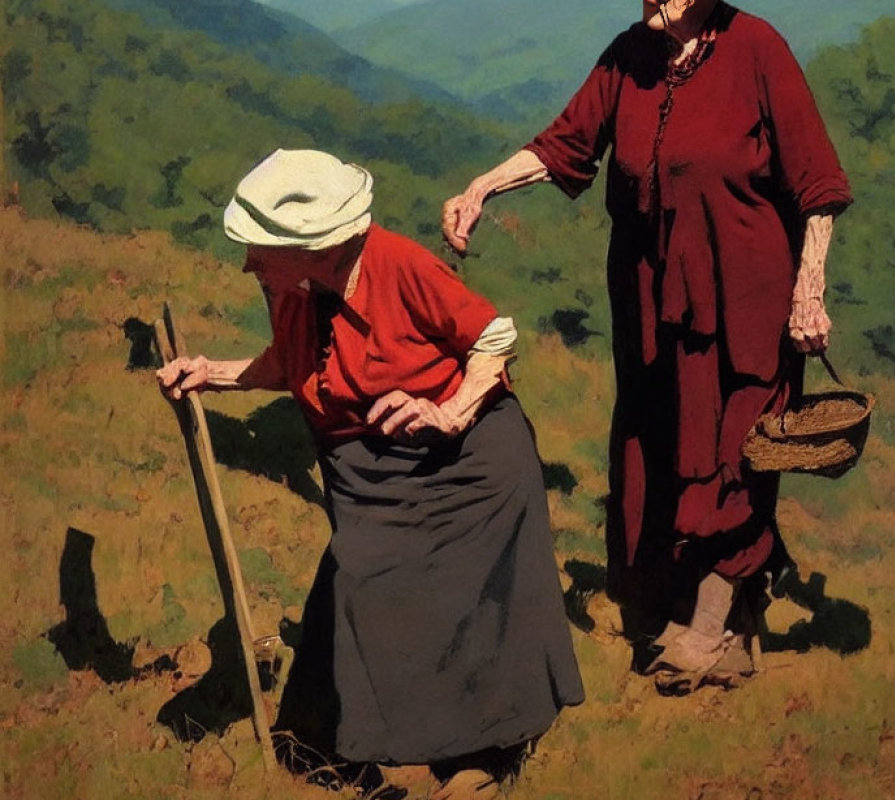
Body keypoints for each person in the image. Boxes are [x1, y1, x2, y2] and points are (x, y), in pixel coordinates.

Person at [442, 0, 852, 692]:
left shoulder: (758, 50)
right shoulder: (629, 55)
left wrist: (809, 291)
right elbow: (562, 146)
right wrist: (482, 187)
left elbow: (817, 184)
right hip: (651, 305)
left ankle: (716, 619)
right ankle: (704, 602)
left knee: (737, 451)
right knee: (660, 447)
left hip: (745, 301)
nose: (648, 1)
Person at [158, 148, 584, 799]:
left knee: (457, 607)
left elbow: (494, 337)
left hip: (465, 466)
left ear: (315, 246)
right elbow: (293, 364)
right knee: (359, 585)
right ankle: (325, 751)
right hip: (377, 473)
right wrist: (211, 373)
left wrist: (449, 412)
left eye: (261, 248)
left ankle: (483, 757)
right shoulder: (294, 289)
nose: (248, 262)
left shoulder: (398, 265)